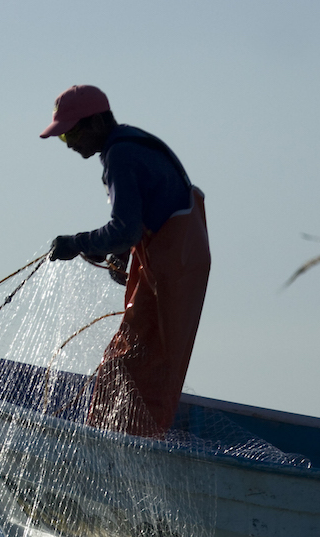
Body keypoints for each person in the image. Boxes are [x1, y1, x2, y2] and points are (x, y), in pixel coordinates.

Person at [40, 85, 210, 437]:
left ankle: (121, 445)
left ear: (98, 120)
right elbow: (147, 213)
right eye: (62, 137)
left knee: (130, 363)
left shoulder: (120, 156)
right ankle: (135, 436)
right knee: (148, 360)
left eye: (72, 132)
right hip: (181, 260)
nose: (70, 142)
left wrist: (78, 242)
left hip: (173, 268)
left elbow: (125, 229)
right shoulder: (134, 142)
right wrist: (120, 254)